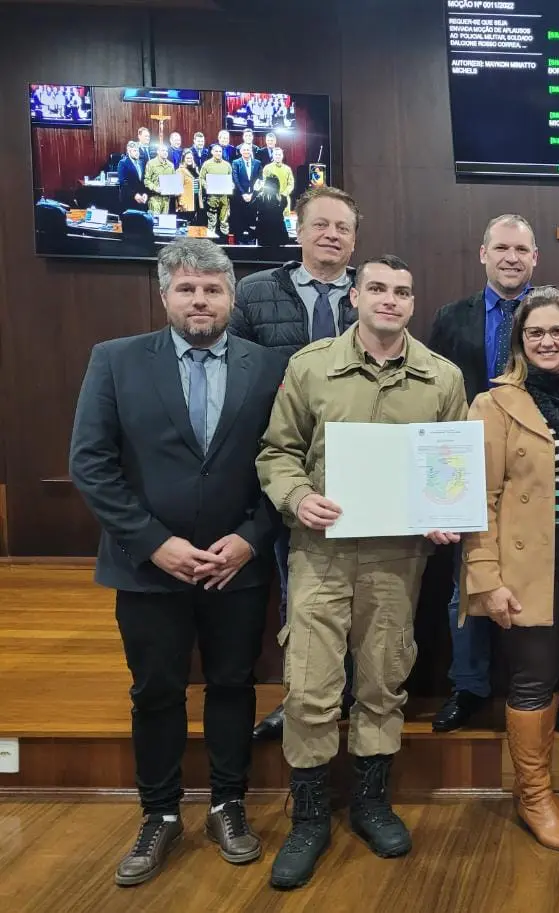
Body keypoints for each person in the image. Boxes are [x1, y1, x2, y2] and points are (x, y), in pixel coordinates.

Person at [68, 238, 283, 886]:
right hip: (146, 568)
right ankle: (159, 813)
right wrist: (153, 541)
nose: (200, 300)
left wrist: (251, 536)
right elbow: (91, 463)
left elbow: (289, 462)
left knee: (231, 685)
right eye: (187, 288)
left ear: (230, 297)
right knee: (156, 691)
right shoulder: (116, 361)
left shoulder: (268, 368)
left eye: (213, 289)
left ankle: (228, 802)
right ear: (164, 295)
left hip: (235, 565)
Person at [257, 255, 468, 890]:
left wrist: (443, 511)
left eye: (403, 291)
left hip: (397, 559)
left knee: (382, 680)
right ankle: (312, 816)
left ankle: (373, 803)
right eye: (377, 288)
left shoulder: (441, 377)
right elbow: (278, 452)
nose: (390, 300)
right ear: (355, 296)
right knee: (312, 688)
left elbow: (450, 463)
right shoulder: (310, 366)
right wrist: (297, 498)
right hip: (320, 553)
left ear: (411, 301)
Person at [464, 287, 559, 852]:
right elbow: (476, 498)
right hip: (523, 571)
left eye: (558, 331)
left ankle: (542, 788)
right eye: (536, 334)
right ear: (520, 342)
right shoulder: (495, 405)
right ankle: (532, 798)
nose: (548, 341)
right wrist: (486, 578)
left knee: (554, 673)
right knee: (531, 679)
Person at [231, 185, 361, 743]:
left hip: (358, 470)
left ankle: (351, 694)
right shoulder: (256, 292)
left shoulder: (370, 291)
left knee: (360, 592)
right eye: (321, 225)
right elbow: (233, 373)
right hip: (283, 468)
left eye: (343, 228)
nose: (332, 235)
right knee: (297, 591)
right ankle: (305, 699)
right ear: (299, 230)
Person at [428, 214, 538, 732]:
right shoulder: (451, 317)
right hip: (466, 469)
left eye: (521, 249)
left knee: (534, 580)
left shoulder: (553, 314)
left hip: (534, 469)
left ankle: (534, 687)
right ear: (483, 253)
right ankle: (468, 686)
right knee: (468, 581)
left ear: (535, 257)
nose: (511, 257)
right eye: (502, 248)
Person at [198, 145, 232, 236]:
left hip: (224, 196)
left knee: (224, 219)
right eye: (216, 151)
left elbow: (230, 179)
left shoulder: (227, 165)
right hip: (212, 196)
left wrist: (232, 185)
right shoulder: (206, 164)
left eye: (220, 151)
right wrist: (206, 185)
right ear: (212, 152)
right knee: (212, 219)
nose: (218, 153)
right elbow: (201, 178)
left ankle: (225, 239)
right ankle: (211, 237)